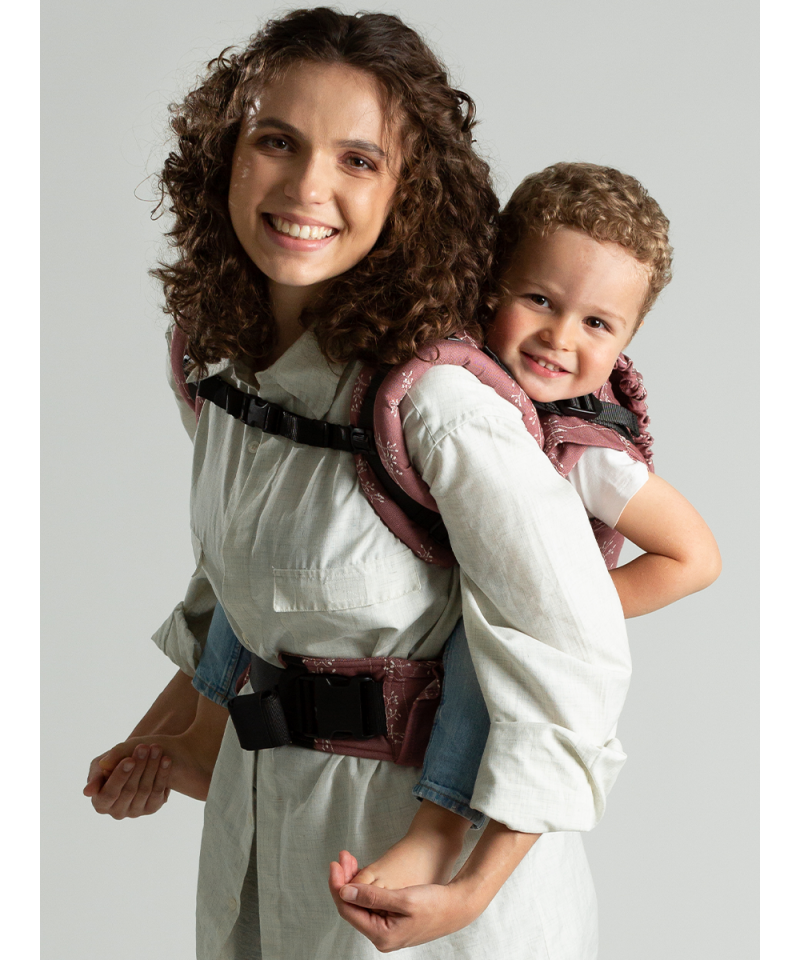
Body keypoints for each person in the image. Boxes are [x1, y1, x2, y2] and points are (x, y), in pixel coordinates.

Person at [85, 9, 634, 957]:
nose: (307, 186)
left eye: (358, 160)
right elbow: (240, 592)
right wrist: (168, 740)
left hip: (433, 894)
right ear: (223, 156)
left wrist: (469, 890)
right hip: (262, 848)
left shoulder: (441, 407)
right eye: (275, 141)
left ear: (407, 193)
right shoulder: (219, 373)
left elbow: (570, 659)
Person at [334, 162, 722, 900]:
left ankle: (436, 828)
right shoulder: (466, 375)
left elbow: (695, 557)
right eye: (539, 299)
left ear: (629, 338)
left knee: (483, 663)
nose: (559, 336)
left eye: (597, 323)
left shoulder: (583, 450)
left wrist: (569, 602)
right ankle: (201, 717)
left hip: (503, 615)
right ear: (490, 286)